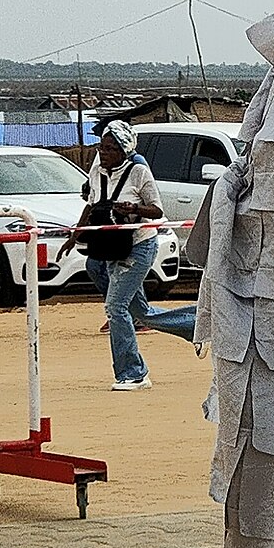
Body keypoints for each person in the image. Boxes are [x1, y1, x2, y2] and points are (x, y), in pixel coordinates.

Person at [74, 120, 167, 389]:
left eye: (110, 148)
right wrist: (75, 235)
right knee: (142, 311)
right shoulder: (97, 170)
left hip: (138, 245)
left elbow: (157, 211)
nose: (104, 152)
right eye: (101, 147)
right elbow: (92, 205)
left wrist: (133, 208)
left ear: (124, 150)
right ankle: (195, 324)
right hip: (110, 245)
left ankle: (133, 373)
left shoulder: (139, 171)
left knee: (116, 307)